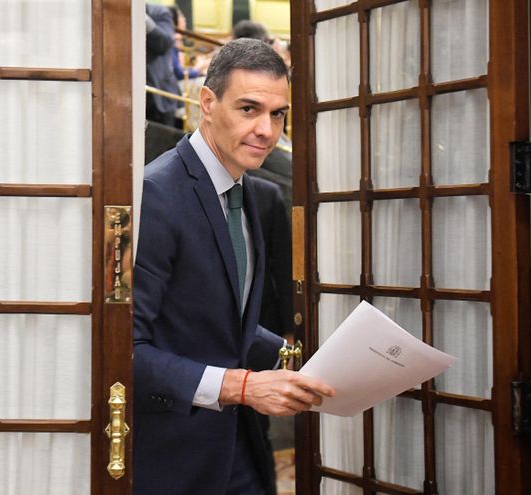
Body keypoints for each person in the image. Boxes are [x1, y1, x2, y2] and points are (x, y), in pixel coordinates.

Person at [133, 38, 335, 494]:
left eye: (278, 113)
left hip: (243, 448)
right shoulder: (156, 195)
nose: (267, 129)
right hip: (173, 457)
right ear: (207, 103)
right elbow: (126, 350)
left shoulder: (258, 195)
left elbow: (221, 323)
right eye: (249, 109)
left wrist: (303, 359)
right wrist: (241, 387)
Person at [145, 3, 181, 126]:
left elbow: (164, 44)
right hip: (131, 94)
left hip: (160, 94)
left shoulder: (159, 12)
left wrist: (141, 17)